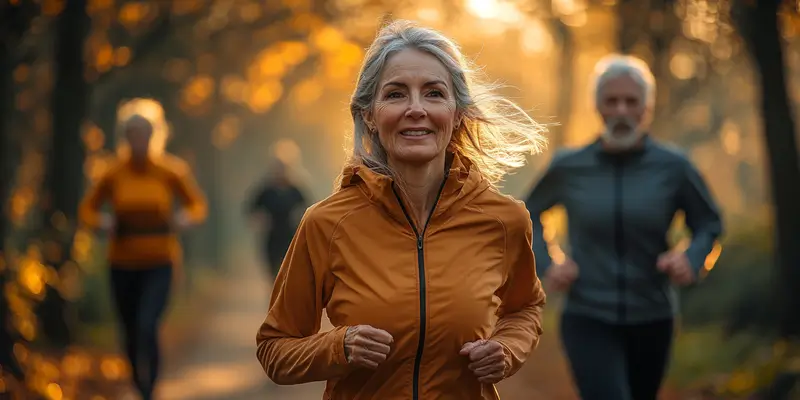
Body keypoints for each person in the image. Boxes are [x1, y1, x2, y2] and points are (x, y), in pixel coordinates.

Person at [256, 20, 547, 399]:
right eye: (395, 94)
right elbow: (275, 349)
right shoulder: (327, 223)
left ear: (457, 113)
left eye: (434, 93)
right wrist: (340, 347)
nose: (415, 109)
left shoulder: (503, 219)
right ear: (370, 116)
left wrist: (507, 350)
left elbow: (525, 309)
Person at [524, 54, 723, 400]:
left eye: (631, 102)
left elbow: (708, 222)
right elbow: (526, 215)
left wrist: (690, 258)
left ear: (647, 108)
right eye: (611, 101)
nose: (620, 111)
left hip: (653, 316)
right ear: (597, 107)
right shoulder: (570, 166)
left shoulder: (673, 167)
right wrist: (549, 263)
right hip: (588, 314)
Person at [79, 99, 207, 400]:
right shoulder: (112, 172)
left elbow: (197, 205)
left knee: (147, 324)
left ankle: (149, 391)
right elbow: (87, 210)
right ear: (124, 136)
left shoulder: (170, 171)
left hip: (160, 260)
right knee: (129, 330)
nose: (138, 139)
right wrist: (102, 221)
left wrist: (185, 217)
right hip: (121, 261)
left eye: (144, 132)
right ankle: (139, 384)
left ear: (155, 135)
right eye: (132, 133)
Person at [245, 151, 308, 279]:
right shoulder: (266, 191)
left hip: (290, 238)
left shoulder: (295, 190)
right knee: (274, 276)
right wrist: (260, 220)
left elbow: (309, 210)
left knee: (289, 275)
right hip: (272, 239)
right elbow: (251, 210)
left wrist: (299, 219)